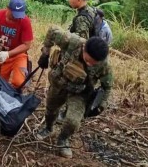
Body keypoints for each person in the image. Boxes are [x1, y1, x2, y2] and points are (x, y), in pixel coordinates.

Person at [36, 26, 113, 159]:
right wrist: (46, 53)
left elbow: (107, 86)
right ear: (84, 48)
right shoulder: (72, 41)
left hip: (80, 93)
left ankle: (63, 139)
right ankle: (48, 128)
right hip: (60, 83)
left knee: (73, 122)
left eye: (93, 63)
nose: (89, 64)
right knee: (51, 110)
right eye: (87, 60)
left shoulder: (104, 65)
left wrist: (101, 104)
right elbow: (52, 31)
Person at [0, 0, 33, 90]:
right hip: (0, 55)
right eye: (14, 14)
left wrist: (8, 54)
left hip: (18, 55)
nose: (16, 17)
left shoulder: (25, 21)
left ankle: (17, 90)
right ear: (8, 9)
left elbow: (27, 45)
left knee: (19, 83)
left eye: (19, 14)